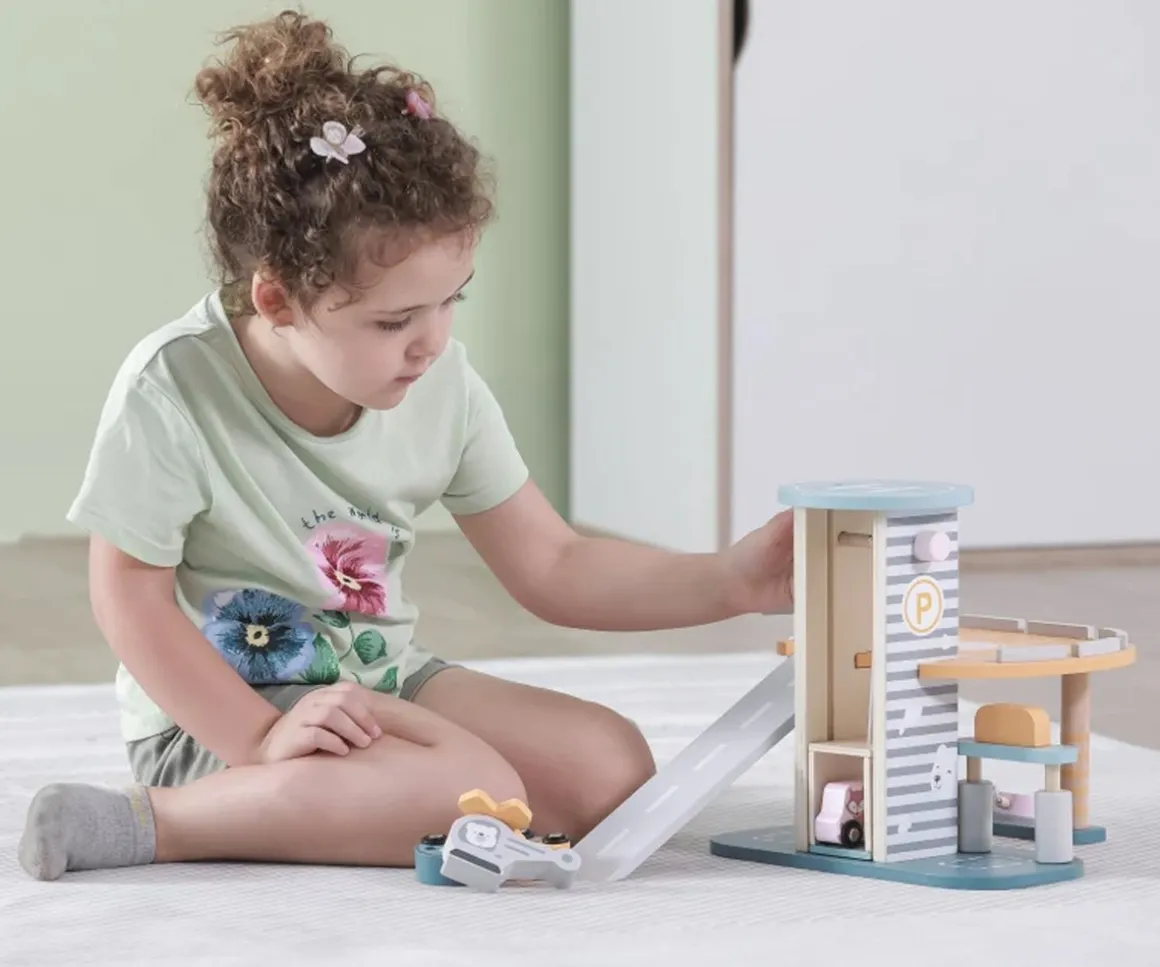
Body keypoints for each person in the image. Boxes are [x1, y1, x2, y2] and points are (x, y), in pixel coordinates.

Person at [18, 10, 794, 881]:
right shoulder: (173, 387)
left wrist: (734, 580)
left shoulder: (440, 383)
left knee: (609, 768)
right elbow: (128, 596)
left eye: (453, 300)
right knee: (466, 788)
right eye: (395, 320)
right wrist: (261, 735)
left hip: (382, 683)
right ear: (277, 300)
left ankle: (401, 780)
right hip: (217, 719)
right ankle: (152, 823)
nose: (432, 343)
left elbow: (555, 563)